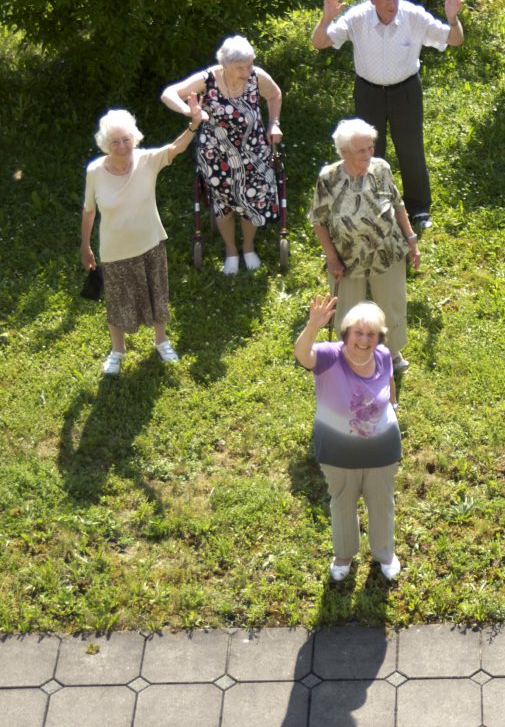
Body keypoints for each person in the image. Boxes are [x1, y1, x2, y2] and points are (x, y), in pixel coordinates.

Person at [310, 0, 464, 232]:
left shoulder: (413, 15)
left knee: (411, 149)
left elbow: (455, 39)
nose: (393, 4)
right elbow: (319, 42)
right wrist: (326, 18)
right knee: (369, 150)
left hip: (405, 91)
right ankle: (373, 205)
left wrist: (453, 19)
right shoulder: (357, 17)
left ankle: (418, 209)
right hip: (368, 92)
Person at [81, 104, 204, 375]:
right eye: (115, 141)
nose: (122, 146)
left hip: (150, 242)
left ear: (134, 139)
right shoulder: (95, 172)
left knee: (157, 294)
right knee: (117, 300)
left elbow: (175, 148)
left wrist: (194, 124)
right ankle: (117, 351)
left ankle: (161, 341)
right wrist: (85, 245)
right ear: (105, 144)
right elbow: (89, 210)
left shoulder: (147, 160)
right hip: (114, 249)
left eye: (126, 139)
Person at [294, 295, 403, 582]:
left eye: (371, 334)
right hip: (337, 451)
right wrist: (313, 325)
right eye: (358, 333)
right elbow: (303, 355)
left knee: (382, 502)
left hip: (382, 450)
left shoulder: (382, 355)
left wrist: (393, 407)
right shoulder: (330, 356)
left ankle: (384, 553)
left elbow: (390, 382)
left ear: (379, 337)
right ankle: (344, 555)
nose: (364, 340)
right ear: (346, 333)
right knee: (342, 501)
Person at [160, 35, 284, 275]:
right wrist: (189, 110)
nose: (247, 71)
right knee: (223, 205)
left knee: (251, 202)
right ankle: (230, 250)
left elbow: (275, 94)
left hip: (254, 153)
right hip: (217, 156)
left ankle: (248, 247)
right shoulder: (207, 79)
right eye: (241, 68)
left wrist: (274, 123)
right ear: (225, 65)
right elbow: (168, 94)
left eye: (249, 65)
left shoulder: (257, 77)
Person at [310, 119, 422, 374]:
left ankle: (391, 353)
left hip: (387, 252)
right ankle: (350, 356)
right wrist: (331, 257)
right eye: (362, 150)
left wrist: (411, 240)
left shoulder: (381, 168)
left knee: (392, 305)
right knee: (348, 310)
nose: (369, 154)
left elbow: (398, 204)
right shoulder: (328, 178)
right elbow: (318, 221)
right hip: (347, 258)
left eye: (371, 147)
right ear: (344, 151)